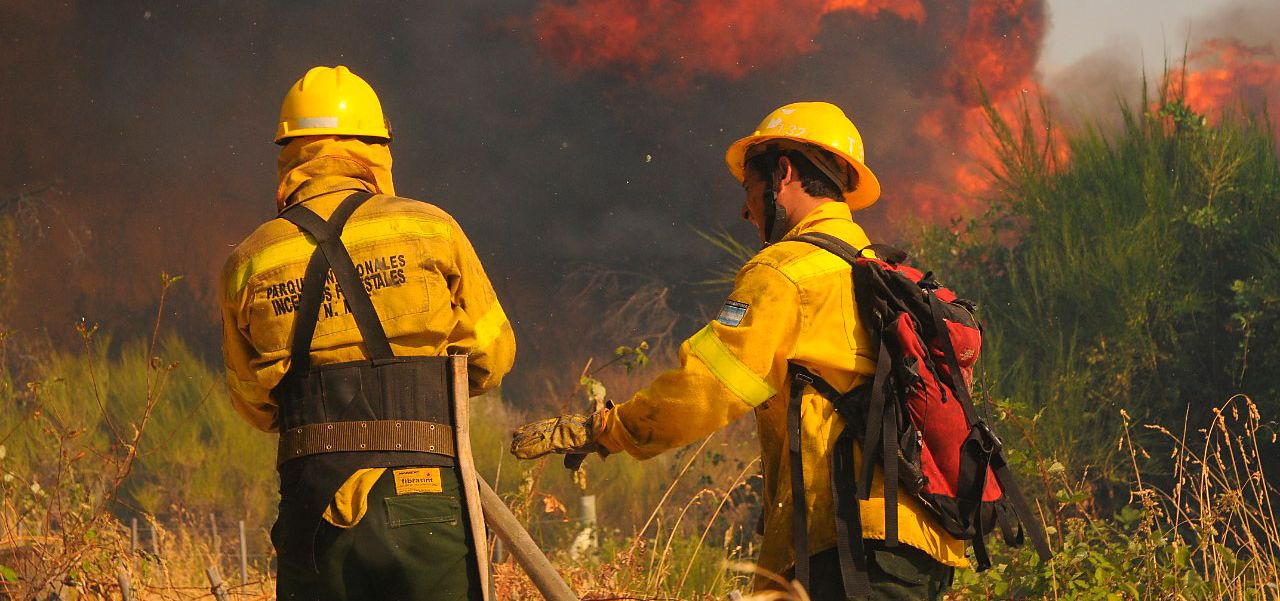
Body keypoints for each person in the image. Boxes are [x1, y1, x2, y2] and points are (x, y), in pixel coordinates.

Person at [511, 102, 964, 600]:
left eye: (749, 187)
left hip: (850, 546)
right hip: (921, 540)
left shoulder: (786, 272)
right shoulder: (876, 272)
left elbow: (707, 389)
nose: (745, 209)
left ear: (784, 174)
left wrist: (604, 429)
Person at [220, 65, 515, 600]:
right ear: (377, 147)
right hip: (422, 492)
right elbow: (492, 356)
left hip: (313, 507)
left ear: (289, 154)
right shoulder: (430, 228)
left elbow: (254, 404)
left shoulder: (249, 260)